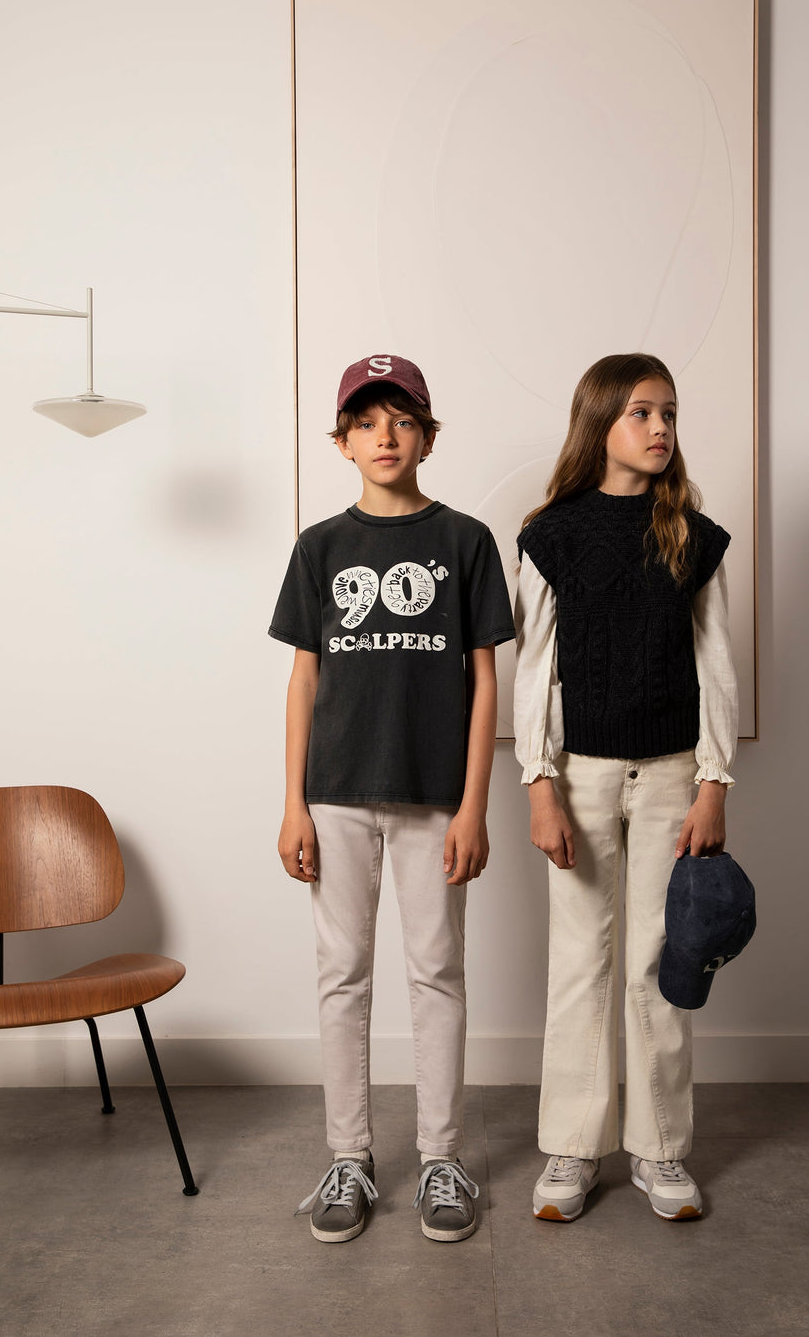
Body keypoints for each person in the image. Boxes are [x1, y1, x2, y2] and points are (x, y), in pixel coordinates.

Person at [269, 354, 514, 1244]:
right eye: (367, 422)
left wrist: (475, 805)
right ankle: (350, 1158)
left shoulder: (466, 542)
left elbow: (485, 683)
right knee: (342, 973)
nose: (385, 436)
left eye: (403, 421)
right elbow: (304, 681)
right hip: (335, 792)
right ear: (342, 442)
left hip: (434, 796)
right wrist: (293, 804)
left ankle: (442, 1158)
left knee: (437, 971)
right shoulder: (320, 548)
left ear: (428, 437)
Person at [513, 352, 738, 1223]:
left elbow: (716, 666)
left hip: (673, 775)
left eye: (670, 413)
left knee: (659, 961)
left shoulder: (693, 536)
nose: (660, 428)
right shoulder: (552, 535)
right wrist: (539, 783)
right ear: (599, 422)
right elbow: (535, 669)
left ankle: (660, 1149)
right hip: (580, 777)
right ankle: (572, 1148)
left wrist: (714, 783)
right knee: (580, 962)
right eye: (642, 412)